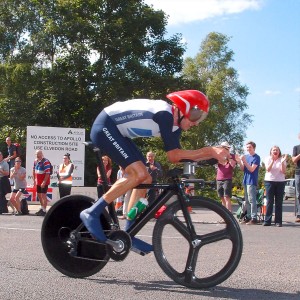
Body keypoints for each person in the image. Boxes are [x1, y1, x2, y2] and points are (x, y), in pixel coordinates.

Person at [79, 89, 230, 253]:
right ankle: (92, 212)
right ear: (183, 109)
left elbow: (179, 155)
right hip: (105, 126)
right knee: (139, 174)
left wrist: (209, 157)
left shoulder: (175, 127)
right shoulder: (164, 114)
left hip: (119, 133)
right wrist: (209, 151)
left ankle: (128, 232)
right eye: (196, 116)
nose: (196, 122)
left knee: (146, 180)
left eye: (200, 118)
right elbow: (173, 156)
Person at [236, 141, 261, 225]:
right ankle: (249, 216)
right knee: (246, 200)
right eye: (247, 147)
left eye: (249, 147)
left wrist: (244, 161)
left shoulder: (256, 157)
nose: (248, 149)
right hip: (245, 180)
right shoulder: (246, 156)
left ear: (253, 147)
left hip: (252, 180)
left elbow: (251, 169)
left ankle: (254, 218)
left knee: (251, 200)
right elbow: (243, 168)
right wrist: (240, 162)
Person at [263, 146, 287, 227]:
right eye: (274, 150)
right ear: (271, 151)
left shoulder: (282, 159)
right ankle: (267, 221)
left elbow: (283, 171)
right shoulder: (267, 158)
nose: (275, 151)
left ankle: (278, 221)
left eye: (277, 150)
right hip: (269, 181)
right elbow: (268, 169)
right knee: (269, 201)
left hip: (280, 182)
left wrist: (283, 162)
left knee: (279, 202)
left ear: (279, 152)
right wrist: (273, 161)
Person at [216, 142, 236, 214]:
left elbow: (233, 165)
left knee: (226, 197)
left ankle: (229, 213)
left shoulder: (232, 156)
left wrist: (228, 157)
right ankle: (224, 214)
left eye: (224, 148)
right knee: (222, 197)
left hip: (227, 178)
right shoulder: (219, 156)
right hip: (219, 178)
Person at [33, 150, 51, 216]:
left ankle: (44, 210)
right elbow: (34, 170)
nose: (38, 155)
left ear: (42, 154)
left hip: (44, 182)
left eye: (39, 154)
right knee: (39, 195)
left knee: (43, 195)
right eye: (36, 154)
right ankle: (42, 207)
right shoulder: (35, 161)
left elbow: (47, 173)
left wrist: (44, 182)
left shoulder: (45, 161)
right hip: (38, 181)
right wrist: (34, 180)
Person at [292, 133, 300, 223]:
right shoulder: (296, 148)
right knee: (298, 194)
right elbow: (294, 160)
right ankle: (299, 214)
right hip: (298, 173)